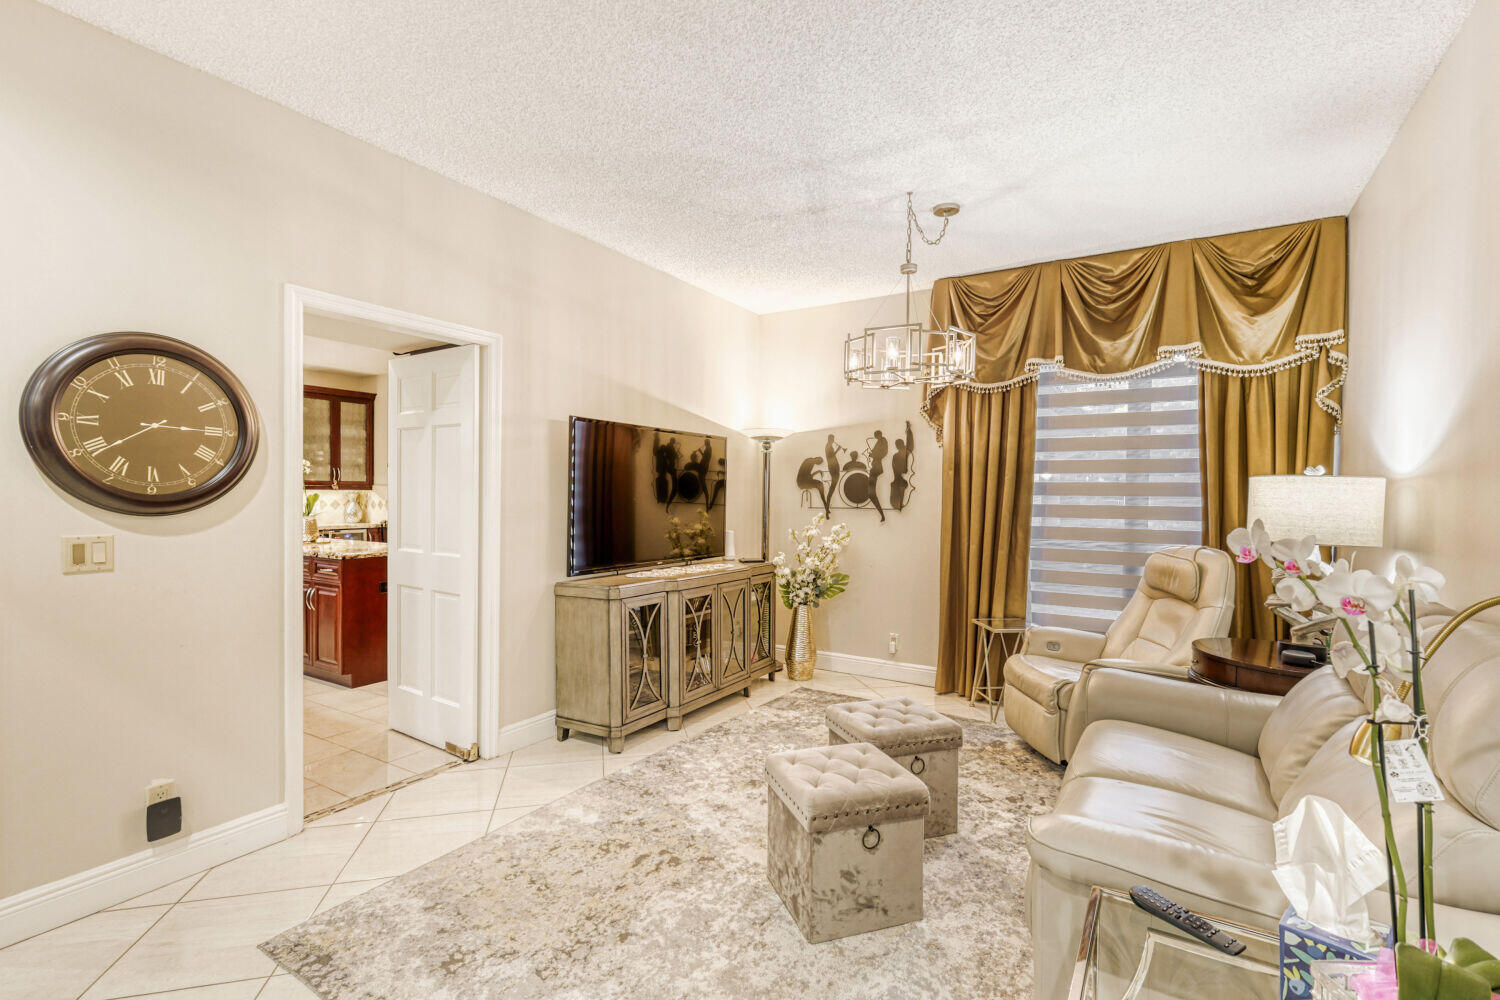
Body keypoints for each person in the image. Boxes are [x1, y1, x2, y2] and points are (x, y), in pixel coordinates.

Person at [890, 421, 914, 510]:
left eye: (898, 445)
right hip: (898, 478)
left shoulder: (902, 453)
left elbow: (910, 443)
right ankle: (898, 504)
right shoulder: (897, 455)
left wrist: (908, 430)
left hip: (898, 479)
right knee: (899, 484)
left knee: (899, 484)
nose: (897, 447)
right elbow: (910, 444)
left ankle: (898, 504)